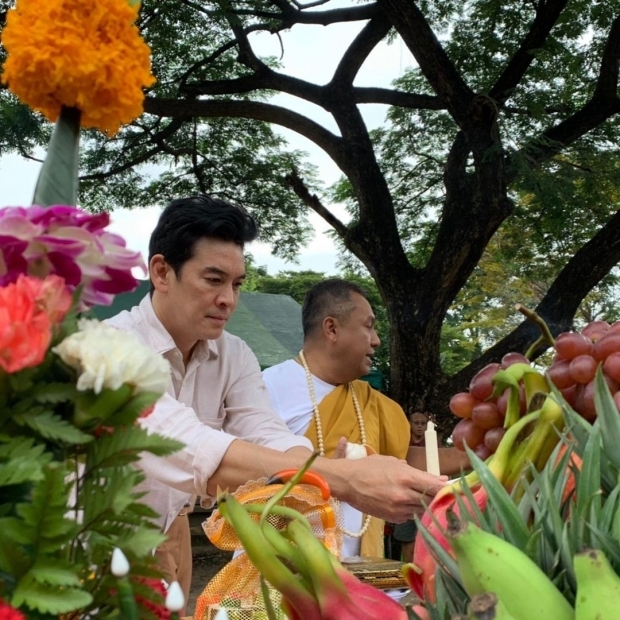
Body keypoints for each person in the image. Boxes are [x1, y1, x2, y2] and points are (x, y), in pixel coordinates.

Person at [106, 195, 446, 604]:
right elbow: (188, 446)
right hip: (84, 538)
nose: (229, 300)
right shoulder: (111, 347)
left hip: (165, 531)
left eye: (236, 284)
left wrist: (320, 472)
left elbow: (265, 429)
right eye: (213, 280)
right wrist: (343, 479)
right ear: (161, 272)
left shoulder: (233, 353)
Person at [262, 279, 410, 558]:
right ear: (332, 328)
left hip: (355, 574)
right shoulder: (268, 387)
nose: (376, 340)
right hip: (281, 566)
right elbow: (245, 478)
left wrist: (477, 454)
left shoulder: (371, 401)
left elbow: (404, 462)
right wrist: (329, 475)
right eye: (368, 326)